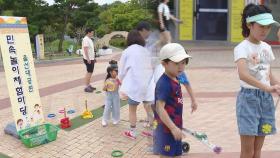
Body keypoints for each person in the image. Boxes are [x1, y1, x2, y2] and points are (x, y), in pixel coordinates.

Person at [234, 4, 280, 158]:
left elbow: (269, 74)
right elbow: (243, 75)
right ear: (249, 25)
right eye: (261, 26)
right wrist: (266, 88)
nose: (265, 30)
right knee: (248, 151)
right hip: (249, 100)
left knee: (258, 150)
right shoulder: (242, 48)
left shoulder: (267, 47)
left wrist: (276, 86)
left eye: (268, 27)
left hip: (266, 102)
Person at [153, 43, 191, 157]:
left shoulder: (176, 77)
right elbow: (160, 109)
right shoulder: (164, 83)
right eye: (176, 63)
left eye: (183, 63)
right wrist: (173, 128)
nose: (181, 67)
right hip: (166, 130)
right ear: (164, 63)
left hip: (174, 127)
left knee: (177, 154)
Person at [118, 30, 153, 139]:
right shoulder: (146, 51)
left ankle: (132, 132)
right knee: (149, 108)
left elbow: (122, 71)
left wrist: (120, 82)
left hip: (135, 85)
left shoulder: (127, 51)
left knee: (132, 110)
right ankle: (152, 131)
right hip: (148, 84)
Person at [82, 28, 96, 93]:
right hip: (88, 59)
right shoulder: (85, 39)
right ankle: (86, 87)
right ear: (88, 32)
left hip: (91, 59)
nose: (93, 34)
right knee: (89, 72)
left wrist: (93, 58)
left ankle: (89, 85)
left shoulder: (89, 39)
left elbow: (91, 50)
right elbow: (85, 49)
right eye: (92, 33)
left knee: (90, 72)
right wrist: (88, 59)